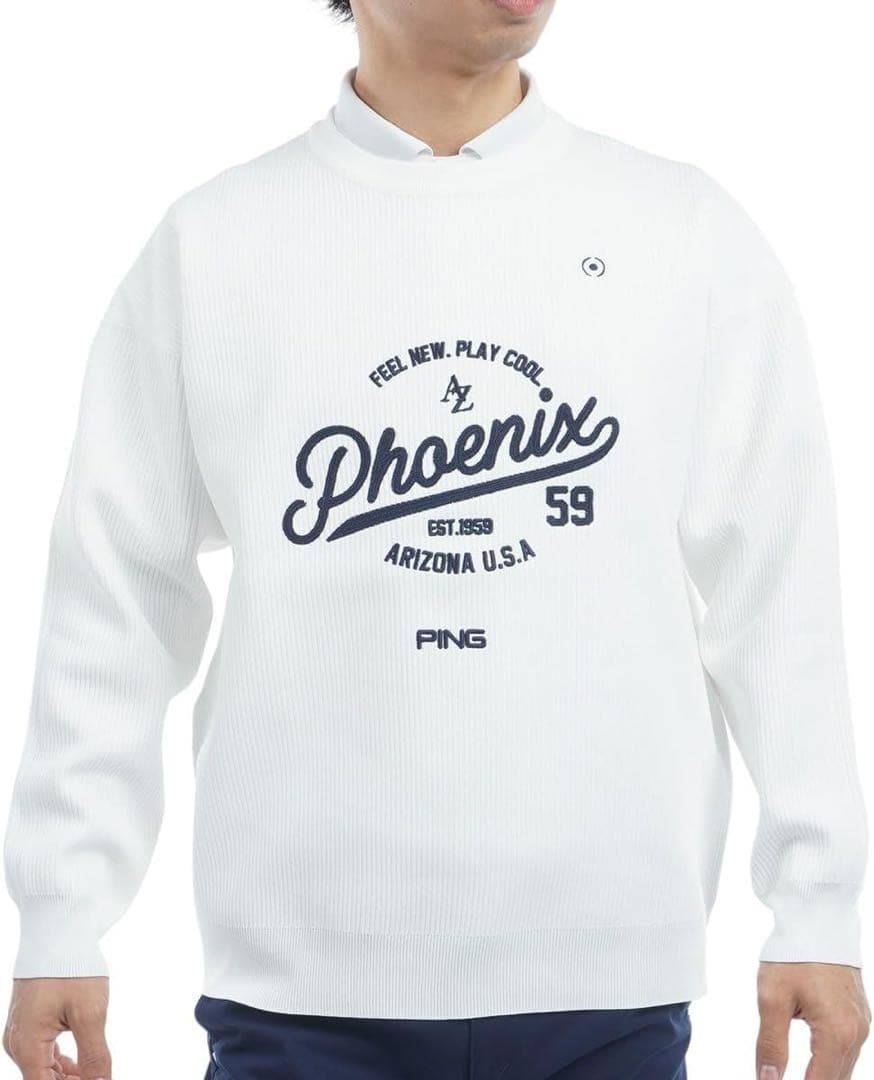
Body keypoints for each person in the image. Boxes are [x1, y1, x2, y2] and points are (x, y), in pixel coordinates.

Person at [2, 0, 870, 1077]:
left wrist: (817, 907)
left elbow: (778, 586)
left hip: (608, 971)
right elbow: (114, 598)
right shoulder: (218, 242)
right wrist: (62, 916)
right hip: (300, 984)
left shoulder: (678, 228)